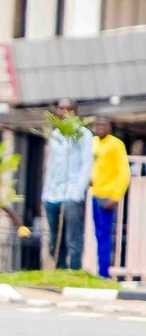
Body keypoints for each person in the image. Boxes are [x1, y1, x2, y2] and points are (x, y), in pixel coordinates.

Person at [42, 98, 93, 271]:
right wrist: (45, 193)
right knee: (55, 238)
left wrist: (77, 193)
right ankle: (59, 270)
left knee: (73, 237)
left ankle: (75, 270)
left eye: (68, 108)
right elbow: (50, 166)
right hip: (52, 194)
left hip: (72, 193)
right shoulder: (55, 136)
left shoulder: (84, 135)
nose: (64, 111)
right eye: (61, 108)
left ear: (75, 112)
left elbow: (87, 165)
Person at [90, 117, 130, 279]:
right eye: (97, 125)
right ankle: (99, 270)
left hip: (107, 196)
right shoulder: (92, 143)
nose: (99, 128)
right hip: (95, 193)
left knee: (104, 235)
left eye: (103, 125)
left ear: (109, 128)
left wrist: (115, 196)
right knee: (98, 234)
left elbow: (124, 172)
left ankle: (104, 273)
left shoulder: (116, 144)